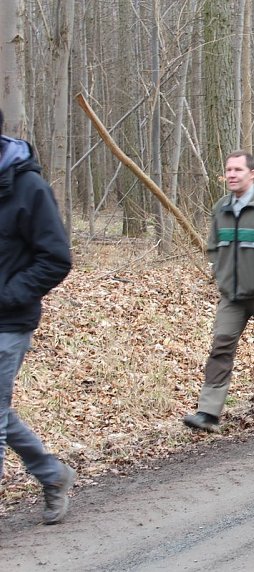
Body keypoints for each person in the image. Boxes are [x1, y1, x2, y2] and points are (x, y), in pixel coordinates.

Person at [183, 151, 254, 432]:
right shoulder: (221, 207)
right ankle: (208, 412)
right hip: (232, 297)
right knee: (220, 348)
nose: (231, 175)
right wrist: (221, 275)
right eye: (228, 170)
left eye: (237, 170)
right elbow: (213, 246)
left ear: (253, 174)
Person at [0, 108, 76, 524]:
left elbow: (56, 258)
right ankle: (53, 475)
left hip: (9, 322)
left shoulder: (30, 188)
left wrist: (8, 296)